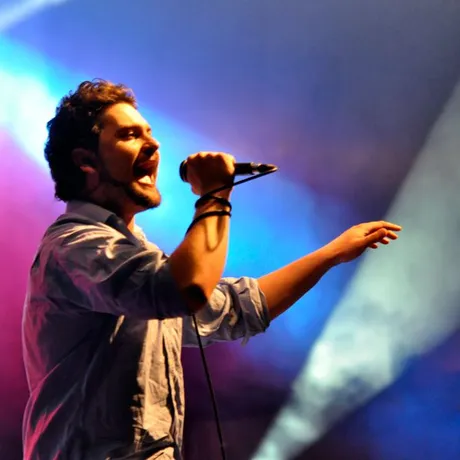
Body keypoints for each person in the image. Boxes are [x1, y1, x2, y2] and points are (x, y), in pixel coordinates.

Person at [22, 79, 401, 460]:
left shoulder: (137, 259)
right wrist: (214, 196)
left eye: (150, 133)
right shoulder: (74, 246)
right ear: (85, 161)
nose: (153, 144)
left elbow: (236, 308)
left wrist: (333, 253)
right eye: (129, 135)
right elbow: (184, 289)